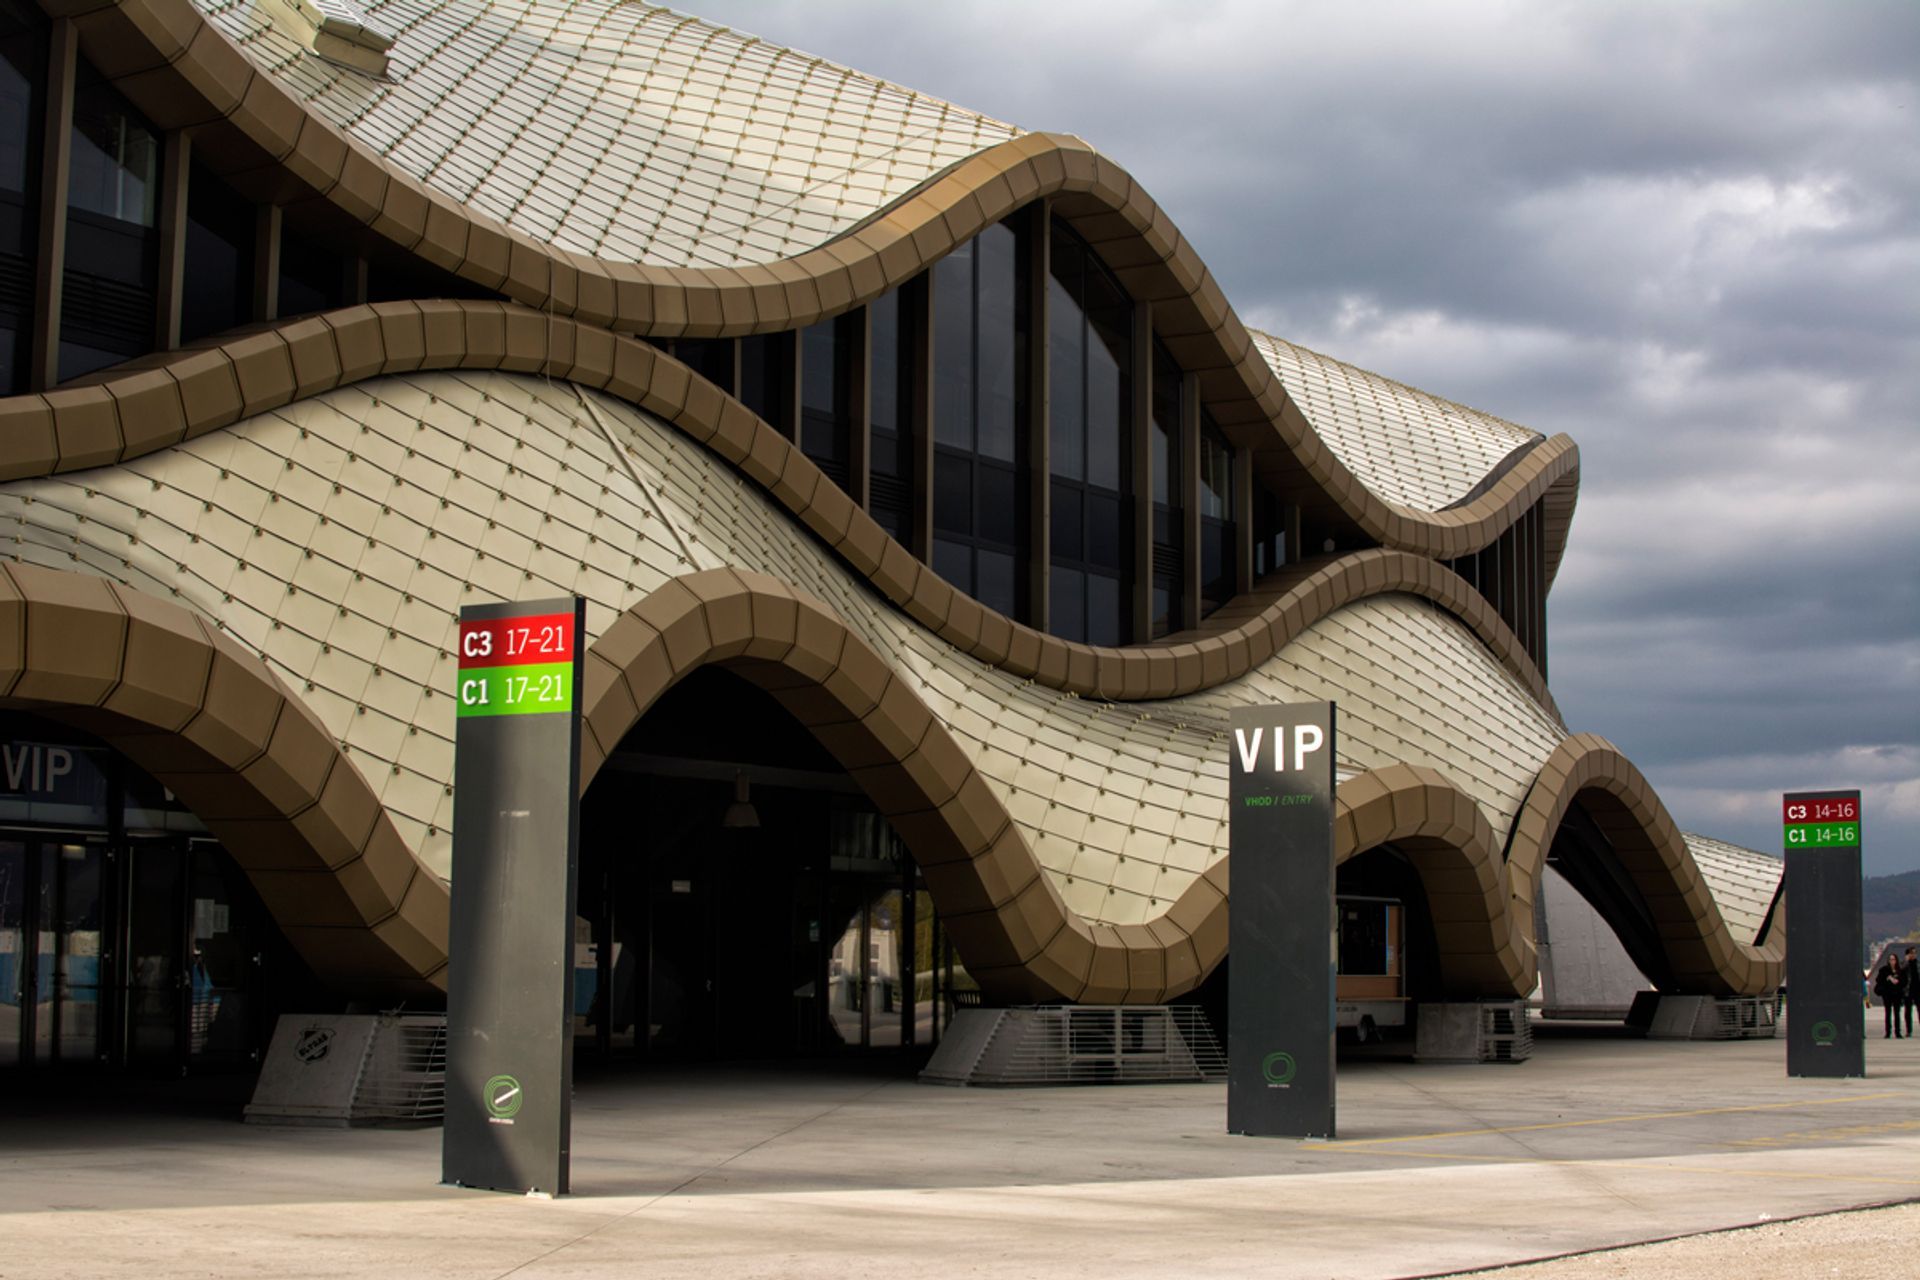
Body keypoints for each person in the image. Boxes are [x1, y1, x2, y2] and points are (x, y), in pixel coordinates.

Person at [1874, 952, 1903, 1038]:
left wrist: (1898, 982)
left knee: (1897, 1013)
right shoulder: (1884, 970)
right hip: (1887, 994)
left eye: (1893, 959)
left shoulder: (1900, 970)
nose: (1892, 961)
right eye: (1890, 959)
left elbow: (1904, 981)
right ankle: (1888, 1032)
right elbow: (1878, 980)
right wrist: (1887, 979)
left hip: (1897, 994)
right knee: (1888, 1012)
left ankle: (1897, 1032)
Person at [1904, 946, 1918, 1039]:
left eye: (1914, 953)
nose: (1913, 955)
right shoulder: (1905, 964)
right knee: (1908, 1012)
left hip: (1918, 990)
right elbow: (1901, 972)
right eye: (1911, 953)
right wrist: (1906, 962)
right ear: (1907, 955)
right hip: (1908, 991)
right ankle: (1909, 1031)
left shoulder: (1918, 964)